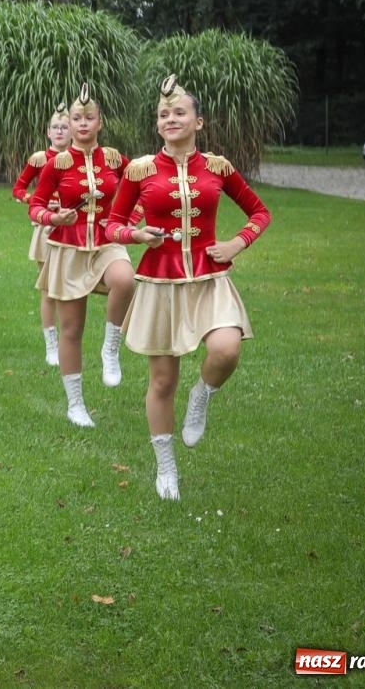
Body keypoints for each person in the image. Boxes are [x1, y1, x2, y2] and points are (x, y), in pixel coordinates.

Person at [105, 76, 271, 500]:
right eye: (163, 114)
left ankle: (203, 394)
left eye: (180, 112)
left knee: (226, 349)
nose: (171, 119)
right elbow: (113, 224)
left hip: (209, 279)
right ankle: (166, 467)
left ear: (199, 121)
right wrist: (136, 237)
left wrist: (237, 242)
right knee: (162, 381)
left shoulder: (218, 167)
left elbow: (259, 212)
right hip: (160, 284)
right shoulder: (139, 170)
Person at [27, 84, 133, 427]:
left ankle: (111, 348)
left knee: (125, 279)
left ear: (100, 122)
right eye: (77, 118)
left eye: (89, 117)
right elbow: (36, 206)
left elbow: (141, 189)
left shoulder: (115, 159)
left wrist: (130, 220)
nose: (83, 123)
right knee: (71, 329)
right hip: (69, 248)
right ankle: (75, 404)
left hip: (106, 242)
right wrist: (54, 218)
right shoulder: (56, 163)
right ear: (69, 124)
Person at [13, 104, 73, 366]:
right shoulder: (40, 158)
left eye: (64, 127)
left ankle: (70, 339)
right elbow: (18, 188)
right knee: (48, 288)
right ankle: (51, 343)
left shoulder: (77, 158)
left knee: (69, 288)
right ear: (48, 132)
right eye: (55, 128)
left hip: (72, 227)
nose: (60, 132)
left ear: (72, 132)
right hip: (45, 227)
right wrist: (35, 201)